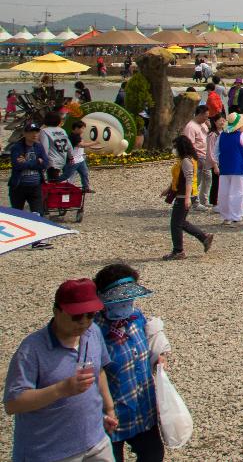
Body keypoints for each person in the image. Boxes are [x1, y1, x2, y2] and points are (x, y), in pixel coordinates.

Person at [4, 279, 117, 462]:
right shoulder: (32, 349)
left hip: (96, 442)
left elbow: (100, 372)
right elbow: (13, 403)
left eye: (90, 315)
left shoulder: (93, 332)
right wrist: (61, 389)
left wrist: (109, 409)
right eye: (76, 316)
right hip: (50, 453)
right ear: (56, 311)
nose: (83, 322)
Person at [91, 265, 166, 462]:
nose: (125, 303)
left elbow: (148, 345)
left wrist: (157, 357)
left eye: (129, 298)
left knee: (153, 455)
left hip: (143, 408)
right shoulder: (93, 331)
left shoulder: (136, 318)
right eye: (119, 299)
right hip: (111, 417)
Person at [166, 135, 213, 260]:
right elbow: (178, 177)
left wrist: (187, 198)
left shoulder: (186, 161)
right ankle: (204, 237)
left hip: (184, 196)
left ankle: (178, 251)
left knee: (175, 224)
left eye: (175, 147)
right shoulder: (185, 159)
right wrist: (168, 189)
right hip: (184, 194)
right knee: (181, 222)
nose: (173, 149)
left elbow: (189, 179)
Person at [8, 122, 49, 243]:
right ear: (25, 133)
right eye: (31, 132)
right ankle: (17, 239)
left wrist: (29, 162)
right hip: (19, 186)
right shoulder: (17, 147)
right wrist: (37, 162)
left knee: (38, 213)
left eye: (36, 132)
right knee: (17, 214)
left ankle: (37, 241)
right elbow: (17, 165)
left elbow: (45, 164)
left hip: (35, 185)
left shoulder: (39, 147)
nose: (34, 135)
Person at [212, 113, 243, 227]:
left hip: (225, 168)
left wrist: (220, 162)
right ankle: (236, 217)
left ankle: (226, 217)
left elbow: (215, 153)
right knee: (238, 192)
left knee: (224, 193)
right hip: (239, 167)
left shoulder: (221, 135)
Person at [182, 106, 213, 211]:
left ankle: (204, 200)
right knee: (196, 180)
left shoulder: (203, 124)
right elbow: (189, 144)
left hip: (205, 155)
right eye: (206, 116)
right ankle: (194, 201)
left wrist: (209, 127)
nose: (207, 119)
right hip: (197, 156)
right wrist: (193, 158)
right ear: (200, 114)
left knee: (208, 178)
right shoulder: (190, 127)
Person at [39, 110, 72, 184]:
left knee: (53, 183)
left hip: (52, 161)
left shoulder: (44, 131)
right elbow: (69, 145)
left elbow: (45, 147)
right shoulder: (62, 130)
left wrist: (43, 160)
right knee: (56, 181)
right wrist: (71, 156)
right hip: (62, 158)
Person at [62, 119, 92, 193]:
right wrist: (94, 143)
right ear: (76, 128)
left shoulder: (78, 136)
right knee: (67, 175)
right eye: (82, 128)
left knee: (84, 173)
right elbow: (81, 145)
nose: (83, 130)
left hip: (80, 159)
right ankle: (55, 184)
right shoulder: (73, 136)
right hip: (73, 159)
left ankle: (86, 188)